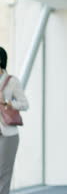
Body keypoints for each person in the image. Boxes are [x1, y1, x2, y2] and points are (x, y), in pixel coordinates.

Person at [0, 47, 28, 194]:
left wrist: (9, 103)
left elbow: (25, 104)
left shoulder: (12, 82)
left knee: (4, 172)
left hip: (8, 134)